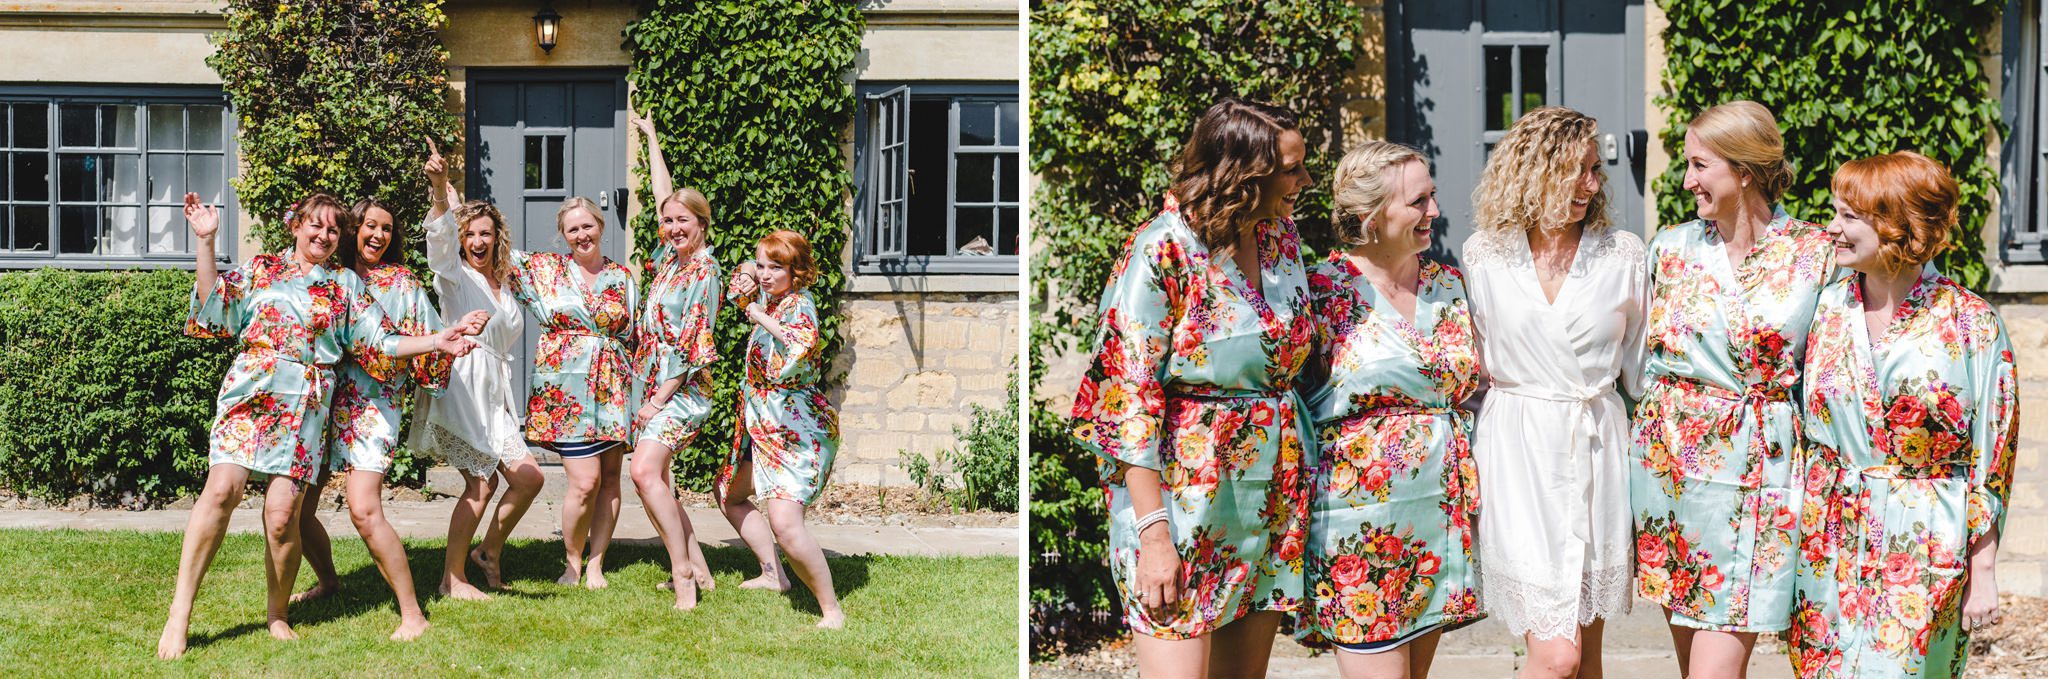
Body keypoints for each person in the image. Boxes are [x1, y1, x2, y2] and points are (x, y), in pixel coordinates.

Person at [158, 191, 483, 659]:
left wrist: (437, 339)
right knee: (222, 490)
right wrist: (205, 242)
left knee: (284, 515)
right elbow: (215, 311)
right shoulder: (262, 269)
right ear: (296, 225)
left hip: (308, 404)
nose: (325, 235)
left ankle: (277, 615)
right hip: (253, 389)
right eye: (316, 225)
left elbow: (380, 342)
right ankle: (180, 614)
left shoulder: (346, 286)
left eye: (334, 229)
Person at [1066, 97, 1316, 677]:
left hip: (1267, 497)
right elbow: (1125, 398)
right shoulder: (1161, 248)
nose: (1304, 180)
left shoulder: (1278, 237)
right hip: (1181, 503)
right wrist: (1154, 535)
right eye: (1291, 168)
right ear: (1242, 174)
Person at [1788, 151, 2016, 679]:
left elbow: (1993, 456)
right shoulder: (1822, 311)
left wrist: (1983, 568)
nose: (1832, 228)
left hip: (1925, 543)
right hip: (1831, 543)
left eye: (1849, 216)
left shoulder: (1970, 324)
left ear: (1897, 225)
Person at [1630, 100, 1836, 677]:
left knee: (1713, 670)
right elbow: (1637, 353)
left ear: (1744, 171)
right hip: (1670, 472)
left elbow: (1831, 367)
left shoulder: (1814, 254)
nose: (1687, 180)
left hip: (1758, 472)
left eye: (1700, 166)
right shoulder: (1670, 250)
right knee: (1692, 660)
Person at [1461, 107, 1646, 678]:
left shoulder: (1623, 254)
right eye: (1576, 171)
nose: (1592, 185)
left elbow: (1640, 370)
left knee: (1586, 653)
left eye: (1597, 170)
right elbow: (1474, 356)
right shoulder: (1484, 255)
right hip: (1517, 451)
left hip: (1596, 443)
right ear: (1531, 171)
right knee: (1556, 655)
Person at [1300, 141, 1482, 678]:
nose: (1435, 212)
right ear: (1371, 217)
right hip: (1357, 520)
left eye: (1432, 197)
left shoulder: (1448, 285)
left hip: (1437, 513)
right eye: (1418, 202)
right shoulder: (1319, 291)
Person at [287, 193, 455, 641]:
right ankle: (328, 580)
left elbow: (426, 340)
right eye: (369, 225)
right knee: (298, 510)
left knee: (363, 509)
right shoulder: (327, 277)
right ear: (352, 230)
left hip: (373, 405)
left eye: (386, 228)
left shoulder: (403, 283)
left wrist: (441, 345)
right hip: (320, 401)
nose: (378, 234)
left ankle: (412, 612)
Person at [416, 142, 546, 601]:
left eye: (486, 234)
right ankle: (452, 579)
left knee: (530, 478)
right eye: (470, 234)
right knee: (481, 481)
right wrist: (439, 192)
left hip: (496, 394)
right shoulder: (455, 276)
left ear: (497, 237)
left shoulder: (506, 282)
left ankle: (487, 552)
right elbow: (439, 243)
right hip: (464, 386)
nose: (477, 242)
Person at [717, 229, 845, 628]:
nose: (766, 274)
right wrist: (751, 276)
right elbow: (735, 280)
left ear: (798, 271)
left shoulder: (799, 305)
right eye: (763, 265)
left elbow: (800, 343)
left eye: (777, 267)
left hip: (796, 428)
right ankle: (775, 576)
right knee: (729, 493)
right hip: (763, 425)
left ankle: (831, 611)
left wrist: (758, 315)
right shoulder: (771, 297)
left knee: (787, 526)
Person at [514, 195, 638, 589]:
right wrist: (445, 196)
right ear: (563, 236)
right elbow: (487, 246)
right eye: (573, 229)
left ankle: (597, 562)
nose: (582, 235)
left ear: (600, 226)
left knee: (612, 478)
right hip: (565, 387)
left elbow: (636, 333)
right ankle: (572, 562)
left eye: (588, 226)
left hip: (613, 384)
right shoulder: (544, 270)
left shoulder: (623, 277)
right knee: (585, 482)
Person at [626, 113, 720, 608]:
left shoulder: (703, 270)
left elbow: (692, 342)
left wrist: (658, 398)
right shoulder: (670, 259)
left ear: (702, 225)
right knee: (658, 480)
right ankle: (699, 568)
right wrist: (652, 138)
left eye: (684, 220)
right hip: (657, 385)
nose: (672, 226)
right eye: (668, 220)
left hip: (683, 390)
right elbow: (665, 195)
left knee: (644, 473)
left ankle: (682, 573)